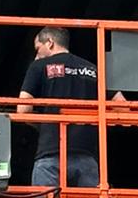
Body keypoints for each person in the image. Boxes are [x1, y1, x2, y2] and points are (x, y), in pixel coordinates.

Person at [16, 27, 122, 189]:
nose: (37, 55)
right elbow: (122, 106)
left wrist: (44, 124)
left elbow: (23, 110)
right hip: (87, 156)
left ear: (50, 43)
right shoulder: (93, 70)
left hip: (51, 153)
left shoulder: (39, 66)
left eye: (38, 49)